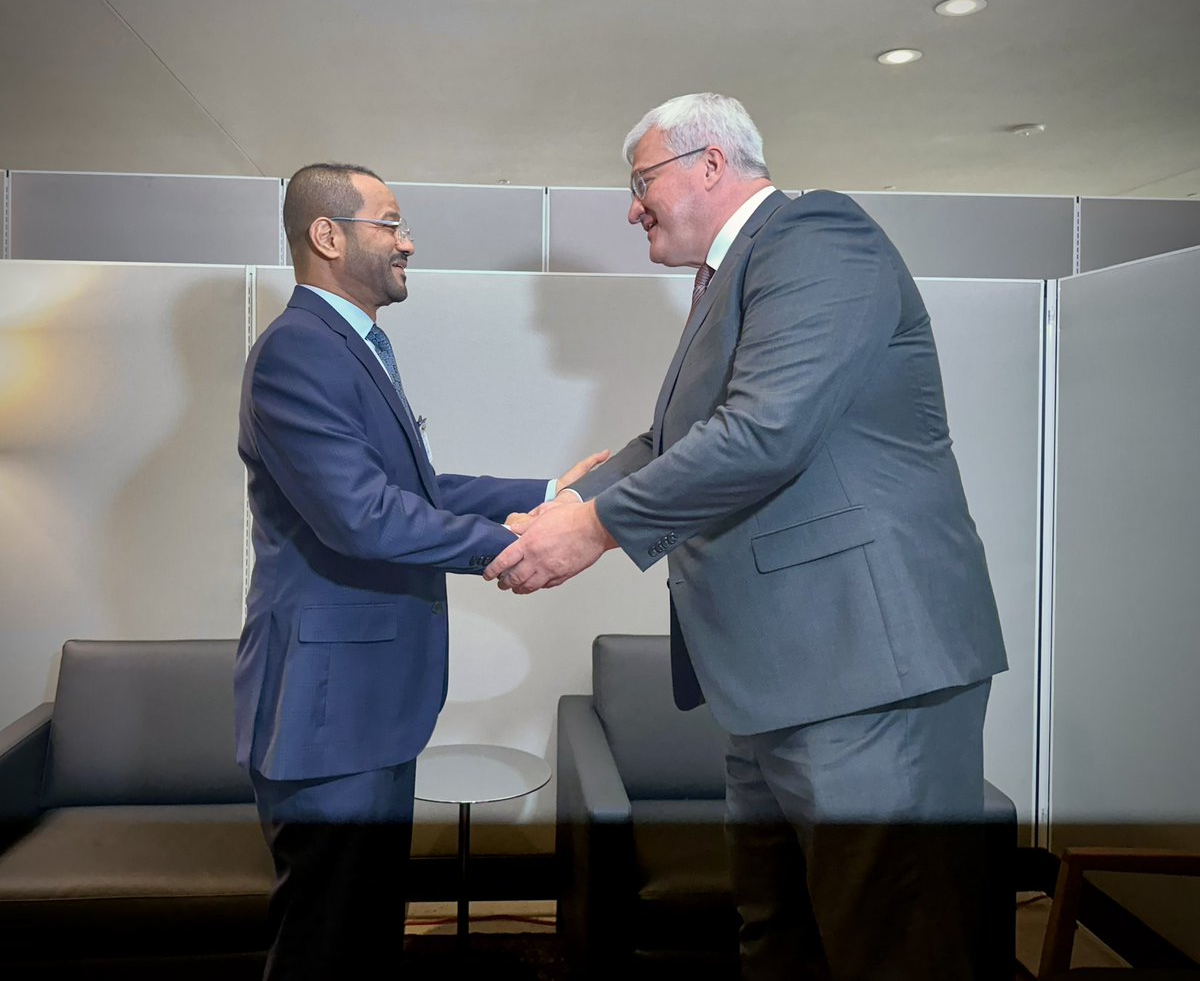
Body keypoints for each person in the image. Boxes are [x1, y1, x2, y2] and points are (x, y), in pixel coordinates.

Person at [485, 94, 1009, 979]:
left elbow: (766, 431)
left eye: (642, 180)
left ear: (712, 164)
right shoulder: (725, 280)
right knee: (780, 944)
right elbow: (680, 440)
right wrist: (568, 502)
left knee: (895, 949)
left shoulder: (816, 237)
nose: (631, 205)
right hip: (776, 686)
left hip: (865, 677)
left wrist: (597, 528)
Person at [235, 162, 606, 979]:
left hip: (366, 709)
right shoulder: (299, 350)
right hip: (328, 715)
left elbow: (417, 489)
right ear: (328, 236)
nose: (408, 242)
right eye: (390, 223)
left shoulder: (353, 345)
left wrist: (553, 492)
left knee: (363, 935)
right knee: (326, 947)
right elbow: (363, 513)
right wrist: (518, 546)